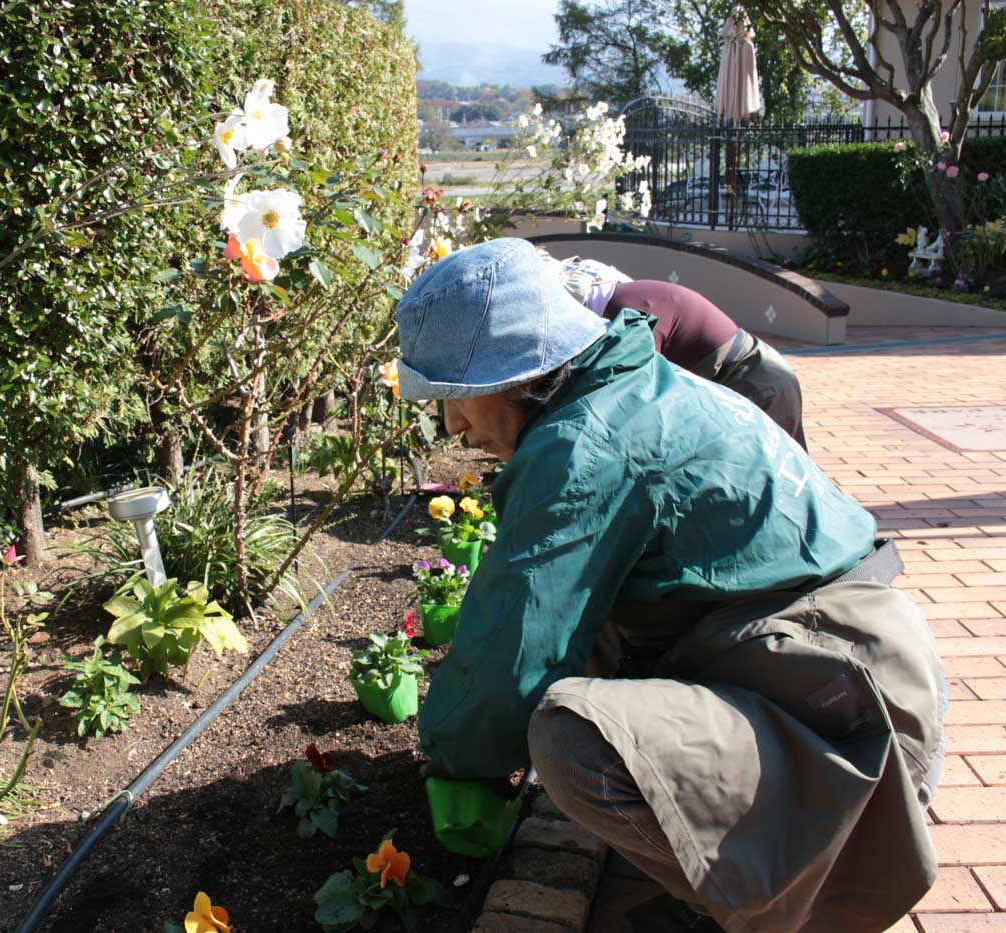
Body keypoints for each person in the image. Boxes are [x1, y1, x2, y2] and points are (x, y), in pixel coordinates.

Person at [395, 239, 945, 932]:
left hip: (849, 722)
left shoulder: (585, 442)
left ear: (519, 374)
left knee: (570, 742)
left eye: (461, 394)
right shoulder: (626, 390)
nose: (452, 424)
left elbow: (513, 643)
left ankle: (767, 905)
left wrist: (447, 757)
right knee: (595, 644)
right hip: (852, 672)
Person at [542, 251, 808, 448]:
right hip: (724, 387)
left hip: (755, 383)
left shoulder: (631, 317)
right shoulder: (610, 294)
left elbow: (631, 407)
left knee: (787, 488)